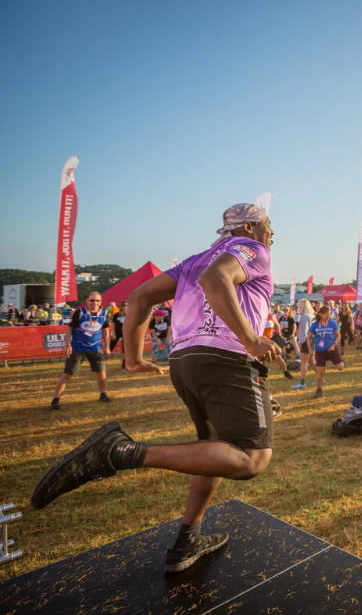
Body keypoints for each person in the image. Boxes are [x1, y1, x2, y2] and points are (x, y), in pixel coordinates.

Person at [32, 203, 280, 573]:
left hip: (187, 361)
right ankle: (119, 452)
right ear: (249, 226)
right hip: (225, 358)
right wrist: (251, 338)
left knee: (214, 448)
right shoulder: (252, 249)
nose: (273, 234)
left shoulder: (195, 260)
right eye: (269, 226)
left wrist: (131, 357)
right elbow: (216, 281)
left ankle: (187, 539)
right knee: (251, 458)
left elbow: (139, 297)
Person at [48, 292, 113, 410]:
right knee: (68, 374)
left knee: (101, 372)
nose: (95, 303)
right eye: (92, 300)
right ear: (87, 301)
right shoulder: (80, 312)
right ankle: (56, 399)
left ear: (101, 302)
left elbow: (105, 330)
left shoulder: (104, 314)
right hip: (78, 348)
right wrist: (67, 344)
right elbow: (69, 329)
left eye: (97, 301)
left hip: (95, 347)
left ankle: (103, 394)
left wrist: (107, 347)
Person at [307, 305, 342, 398]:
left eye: (329, 314)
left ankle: (333, 359)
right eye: (326, 314)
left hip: (332, 349)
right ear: (321, 314)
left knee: (340, 367)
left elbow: (338, 335)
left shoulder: (332, 323)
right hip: (320, 351)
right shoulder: (315, 325)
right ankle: (319, 390)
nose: (328, 316)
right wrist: (310, 349)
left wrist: (334, 345)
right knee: (320, 372)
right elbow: (309, 338)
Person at [290, 299, 314, 390]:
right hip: (312, 340)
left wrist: (300, 342)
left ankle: (302, 382)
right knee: (311, 360)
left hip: (306, 341)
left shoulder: (304, 316)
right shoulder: (311, 315)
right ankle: (320, 377)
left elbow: (304, 331)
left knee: (304, 362)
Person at [109, 301, 128, 367]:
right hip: (117, 332)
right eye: (124, 305)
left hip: (126, 334)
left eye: (127, 305)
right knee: (110, 347)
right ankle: (101, 360)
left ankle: (124, 363)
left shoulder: (130, 315)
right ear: (121, 306)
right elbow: (113, 325)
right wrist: (113, 333)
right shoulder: (116, 315)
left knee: (125, 349)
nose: (125, 307)